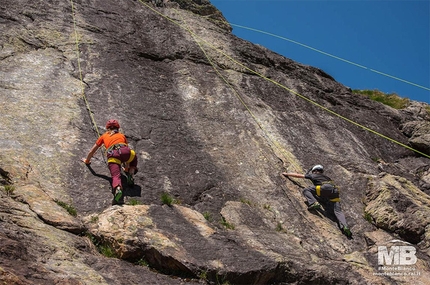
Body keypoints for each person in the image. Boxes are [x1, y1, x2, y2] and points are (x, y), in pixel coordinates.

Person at [282, 165, 352, 238]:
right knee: (338, 211)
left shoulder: (314, 175)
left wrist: (287, 174)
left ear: (315, 171)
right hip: (334, 191)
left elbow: (299, 175)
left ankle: (313, 202)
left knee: (306, 190)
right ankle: (345, 226)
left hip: (324, 188)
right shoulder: (327, 178)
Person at [81, 119, 138, 204]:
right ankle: (131, 174)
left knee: (116, 176)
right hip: (125, 151)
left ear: (107, 128)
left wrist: (87, 160)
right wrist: (126, 168)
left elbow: (92, 151)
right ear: (117, 128)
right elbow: (125, 150)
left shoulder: (103, 136)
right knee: (133, 157)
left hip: (113, 155)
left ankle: (118, 189)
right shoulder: (122, 135)